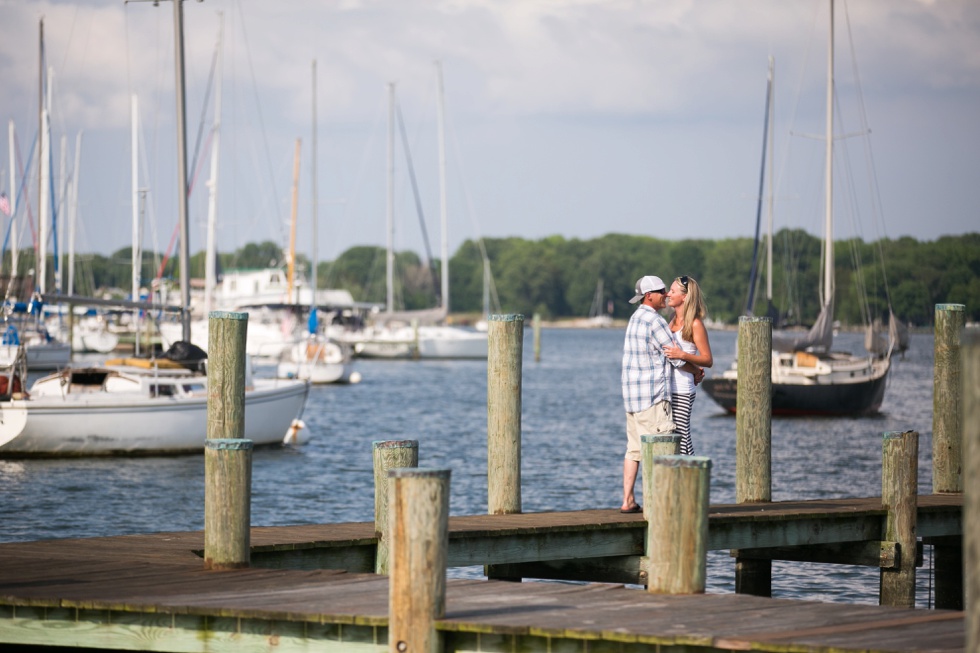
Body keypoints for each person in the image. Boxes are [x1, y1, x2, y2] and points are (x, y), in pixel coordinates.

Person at [620, 275, 703, 513]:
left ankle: (628, 500)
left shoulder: (634, 318)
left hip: (631, 399)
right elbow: (674, 357)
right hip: (652, 398)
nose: (666, 294)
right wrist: (696, 371)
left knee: (633, 451)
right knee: (663, 445)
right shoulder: (655, 322)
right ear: (650, 296)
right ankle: (663, 504)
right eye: (662, 291)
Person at [663, 275, 714, 456]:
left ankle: (690, 473)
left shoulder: (695, 324)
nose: (668, 294)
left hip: (684, 389)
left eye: (673, 291)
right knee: (671, 437)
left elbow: (708, 360)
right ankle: (679, 476)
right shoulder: (671, 320)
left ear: (684, 296)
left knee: (682, 437)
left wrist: (682, 355)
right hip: (669, 388)